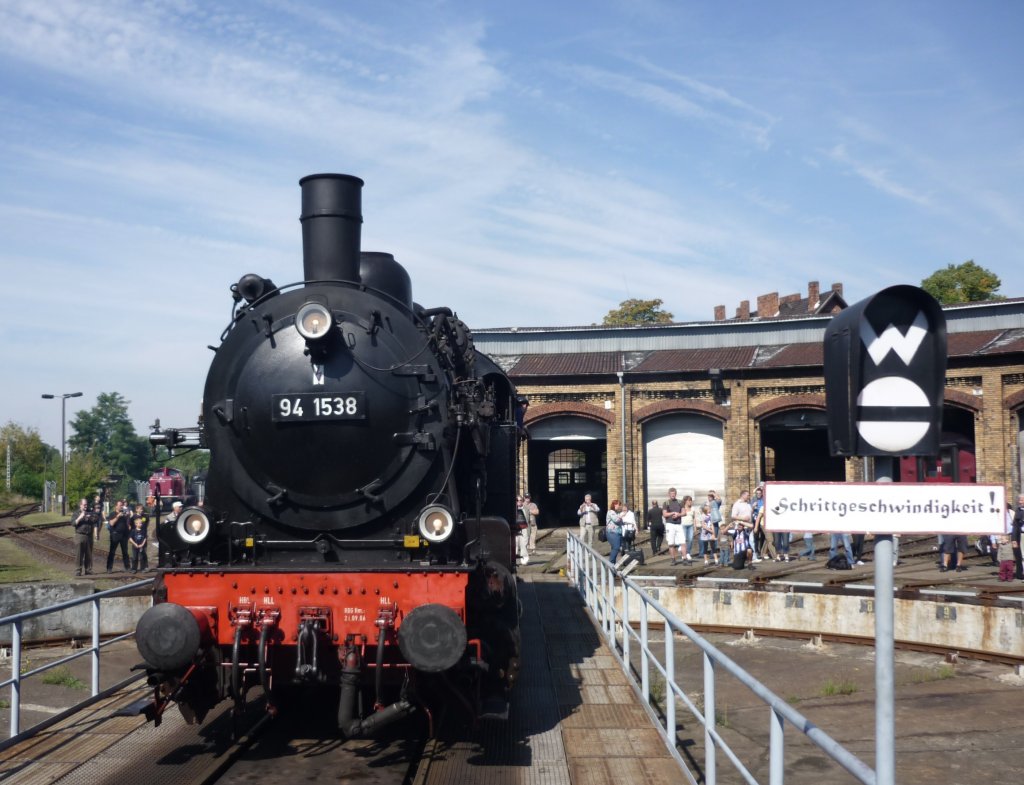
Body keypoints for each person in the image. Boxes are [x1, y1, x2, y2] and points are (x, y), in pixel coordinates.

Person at [70, 498, 99, 576]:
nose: (86, 506)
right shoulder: (76, 513)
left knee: (89, 554)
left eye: (86, 504)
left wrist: (90, 517)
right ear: (80, 505)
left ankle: (88, 570)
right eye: (84, 504)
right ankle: (78, 570)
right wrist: (80, 517)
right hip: (80, 535)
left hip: (89, 535)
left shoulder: (90, 512)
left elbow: (96, 519)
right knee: (79, 554)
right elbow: (73, 523)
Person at [105, 499, 132, 573]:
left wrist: (127, 516)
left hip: (124, 535)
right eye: (120, 505)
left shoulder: (124, 514)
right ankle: (109, 568)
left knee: (125, 552)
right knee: (112, 552)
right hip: (115, 535)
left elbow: (128, 524)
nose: (121, 507)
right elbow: (111, 523)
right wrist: (118, 516)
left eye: (122, 505)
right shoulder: (112, 514)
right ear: (116, 506)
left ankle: (127, 567)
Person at [664, 488, 684, 565]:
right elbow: (665, 514)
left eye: (674, 493)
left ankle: (684, 559)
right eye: (671, 493)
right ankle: (673, 559)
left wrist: (678, 514)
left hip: (678, 524)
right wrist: (672, 513)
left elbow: (684, 512)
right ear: (669, 494)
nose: (673, 495)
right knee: (671, 543)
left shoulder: (680, 502)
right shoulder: (666, 503)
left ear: (676, 494)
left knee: (683, 542)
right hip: (670, 524)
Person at [679, 495, 696, 564]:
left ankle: (688, 552)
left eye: (691, 500)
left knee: (690, 539)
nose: (690, 502)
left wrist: (695, 526)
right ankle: (684, 554)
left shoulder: (693, 508)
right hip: (683, 525)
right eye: (689, 500)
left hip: (690, 525)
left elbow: (694, 518)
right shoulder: (682, 508)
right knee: (684, 540)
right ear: (685, 501)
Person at [514, 496, 530, 566]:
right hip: (515, 528)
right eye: (517, 500)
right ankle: (513, 560)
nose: (519, 501)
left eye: (520, 500)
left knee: (524, 544)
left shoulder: (526, 509)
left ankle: (524, 559)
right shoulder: (513, 509)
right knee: (515, 544)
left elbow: (528, 520)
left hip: (524, 529)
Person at [1013, 494, 1024, 581]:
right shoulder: (1018, 510)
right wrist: (1014, 539)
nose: (1020, 502)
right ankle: (1021, 573)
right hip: (1021, 534)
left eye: (1022, 500)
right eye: (1019, 500)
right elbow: (1015, 526)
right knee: (1021, 555)